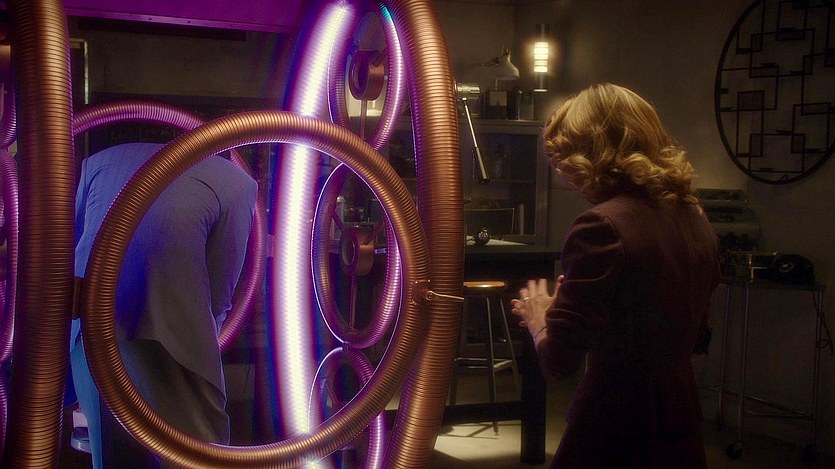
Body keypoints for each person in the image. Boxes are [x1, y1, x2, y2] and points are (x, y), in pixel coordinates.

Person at [511, 83, 720, 468]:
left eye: (563, 160)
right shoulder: (695, 216)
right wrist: (573, 310)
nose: (564, 175)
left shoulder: (600, 226)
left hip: (616, 427)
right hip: (679, 423)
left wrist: (540, 319)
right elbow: (688, 333)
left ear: (588, 154)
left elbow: (559, 362)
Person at [71, 142, 257, 468]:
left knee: (113, 456)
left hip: (92, 335)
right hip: (173, 343)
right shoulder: (237, 183)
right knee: (197, 456)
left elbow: (73, 249)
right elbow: (219, 292)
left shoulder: (97, 163)